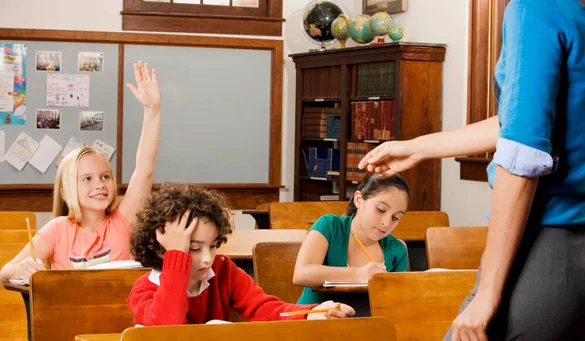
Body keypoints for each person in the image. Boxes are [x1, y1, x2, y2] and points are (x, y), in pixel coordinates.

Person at [359, 0, 585, 341]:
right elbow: (523, 118)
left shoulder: (535, 7)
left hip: (547, 253)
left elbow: (522, 157)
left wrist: (488, 292)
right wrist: (420, 147)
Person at [0, 60, 161, 281]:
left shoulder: (122, 222)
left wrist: (152, 110)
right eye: (87, 178)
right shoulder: (58, 229)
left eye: (105, 176)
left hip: (118, 314)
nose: (99, 184)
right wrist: (21, 270)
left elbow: (144, 170)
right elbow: (4, 272)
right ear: (67, 191)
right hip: (69, 315)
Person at [128, 182, 355, 325]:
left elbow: (263, 308)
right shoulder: (144, 291)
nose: (207, 258)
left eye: (214, 245)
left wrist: (311, 313)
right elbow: (168, 325)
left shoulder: (222, 269)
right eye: (194, 249)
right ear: (161, 249)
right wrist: (176, 255)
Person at [293, 173, 410, 305]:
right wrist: (358, 274)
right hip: (315, 320)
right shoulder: (329, 226)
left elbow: (400, 301)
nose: (386, 223)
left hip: (367, 323)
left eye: (395, 218)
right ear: (358, 200)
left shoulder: (397, 249)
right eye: (381, 210)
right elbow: (301, 273)